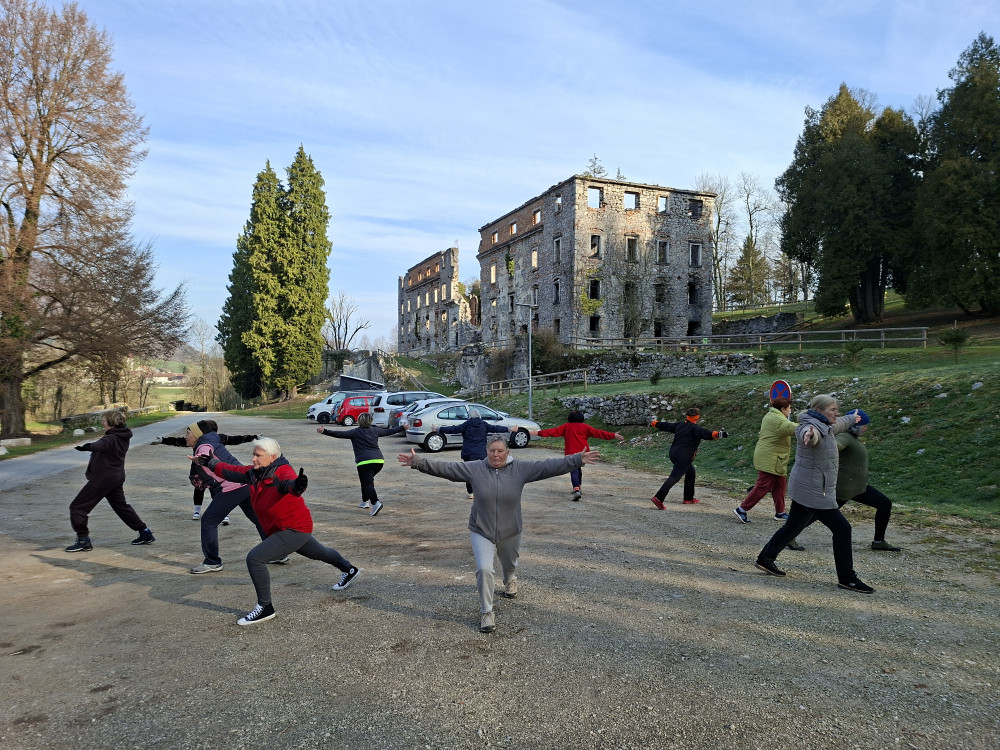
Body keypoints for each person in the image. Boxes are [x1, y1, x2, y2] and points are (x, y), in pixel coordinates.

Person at [398, 437, 600, 634]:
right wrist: (418, 462)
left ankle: (510, 578)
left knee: (509, 563)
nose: (496, 454)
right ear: (486, 452)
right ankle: (486, 612)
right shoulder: (475, 468)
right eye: (492, 451)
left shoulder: (520, 469)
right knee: (485, 569)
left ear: (507, 452)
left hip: (511, 529)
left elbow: (548, 466)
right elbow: (448, 469)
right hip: (481, 529)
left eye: (500, 451)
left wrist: (577, 460)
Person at [194, 437, 360, 626]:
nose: (254, 459)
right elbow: (232, 471)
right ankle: (349, 569)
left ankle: (265, 608)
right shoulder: (255, 472)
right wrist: (210, 462)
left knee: (255, 558)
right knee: (319, 553)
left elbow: (289, 484)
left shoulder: (282, 472)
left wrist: (298, 486)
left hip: (293, 528)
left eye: (258, 455)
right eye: (253, 455)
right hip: (287, 528)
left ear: (272, 457)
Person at [754, 395, 872, 593]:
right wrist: (810, 435)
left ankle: (765, 558)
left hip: (806, 486)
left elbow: (840, 423)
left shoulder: (826, 425)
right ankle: (847, 578)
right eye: (833, 409)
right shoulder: (810, 427)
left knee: (793, 525)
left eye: (837, 409)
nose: (837, 413)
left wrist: (854, 418)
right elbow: (809, 434)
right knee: (843, 530)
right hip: (814, 490)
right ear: (820, 411)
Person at [175, 421, 278, 574]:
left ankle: (212, 562)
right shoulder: (212, 439)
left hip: (233, 486)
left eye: (188, 433)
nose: (185, 436)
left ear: (197, 434)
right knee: (258, 518)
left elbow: (206, 452)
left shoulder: (203, 446)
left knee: (209, 520)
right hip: (245, 483)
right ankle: (277, 554)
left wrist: (203, 458)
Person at [65, 410, 154, 552]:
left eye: (104, 420)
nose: (102, 422)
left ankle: (83, 540)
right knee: (121, 507)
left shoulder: (111, 438)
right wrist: (92, 447)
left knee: (77, 507)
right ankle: (145, 532)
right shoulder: (122, 436)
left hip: (103, 479)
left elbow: (102, 444)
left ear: (111, 423)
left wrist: (89, 447)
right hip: (115, 478)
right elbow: (104, 444)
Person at [150, 420, 257, 521]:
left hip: (211, 466)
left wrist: (253, 437)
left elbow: (235, 439)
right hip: (200, 466)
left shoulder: (217, 438)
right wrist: (163, 440)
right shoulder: (199, 440)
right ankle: (197, 511)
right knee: (200, 488)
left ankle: (222, 513)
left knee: (216, 488)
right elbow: (180, 441)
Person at [834, 410, 901, 551]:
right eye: (864, 425)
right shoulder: (844, 437)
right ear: (855, 425)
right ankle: (790, 535)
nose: (866, 428)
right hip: (844, 488)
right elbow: (833, 448)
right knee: (819, 514)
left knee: (884, 504)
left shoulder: (852, 437)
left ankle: (878, 542)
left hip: (858, 487)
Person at [317, 412, 404, 516]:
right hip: (379, 461)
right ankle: (365, 501)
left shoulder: (355, 432)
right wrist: (403, 427)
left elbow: (339, 434)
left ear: (359, 421)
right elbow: (390, 431)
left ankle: (375, 502)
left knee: (367, 483)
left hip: (364, 462)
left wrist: (324, 431)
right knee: (366, 481)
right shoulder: (375, 430)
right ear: (370, 421)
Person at [527, 410, 622, 500]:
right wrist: (613, 435)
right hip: (583, 453)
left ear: (569, 418)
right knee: (578, 468)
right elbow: (599, 433)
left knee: (574, 470)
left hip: (571, 453)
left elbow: (553, 431)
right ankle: (579, 487)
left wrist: (539, 433)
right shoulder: (585, 427)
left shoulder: (566, 427)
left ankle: (576, 489)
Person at [648, 407, 728, 508]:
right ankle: (659, 498)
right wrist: (720, 434)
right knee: (674, 477)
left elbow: (666, 425)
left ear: (687, 416)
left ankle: (688, 498)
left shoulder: (680, 425)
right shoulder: (696, 429)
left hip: (673, 453)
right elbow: (708, 434)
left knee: (690, 472)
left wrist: (654, 423)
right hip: (684, 456)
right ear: (697, 417)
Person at [734, 397, 797, 523]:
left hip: (772, 457)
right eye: (789, 408)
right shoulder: (778, 419)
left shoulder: (771, 415)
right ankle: (742, 509)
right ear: (783, 408)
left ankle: (780, 512)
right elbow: (790, 428)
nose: (790, 411)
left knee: (780, 484)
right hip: (771, 458)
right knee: (763, 486)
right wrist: (810, 426)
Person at [430, 408, 516, 499]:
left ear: (469, 416)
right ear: (479, 415)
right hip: (481, 453)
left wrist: (438, 429)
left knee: (469, 471)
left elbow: (453, 429)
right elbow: (496, 428)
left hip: (469, 453)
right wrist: (510, 429)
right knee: (483, 472)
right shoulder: (484, 424)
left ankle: (471, 492)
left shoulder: (466, 425)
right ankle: (483, 490)